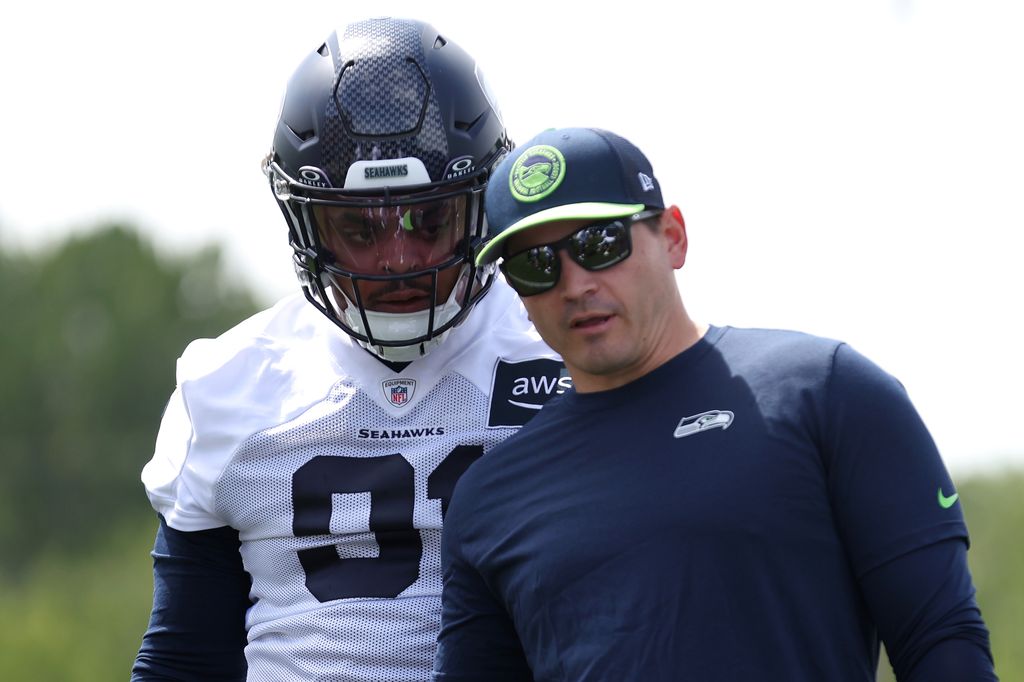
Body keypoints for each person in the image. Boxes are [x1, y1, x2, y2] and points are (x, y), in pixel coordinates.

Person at [433, 127, 998, 681]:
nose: (575, 284)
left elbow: (942, 642)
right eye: (536, 265)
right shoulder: (489, 499)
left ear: (672, 236)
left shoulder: (826, 391)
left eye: (600, 243)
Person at [131, 18, 568, 681]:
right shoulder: (228, 384)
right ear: (306, 224)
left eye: (428, 219)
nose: (398, 258)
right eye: (360, 228)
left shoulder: (564, 356)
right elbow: (186, 659)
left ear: (481, 206)